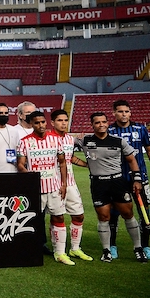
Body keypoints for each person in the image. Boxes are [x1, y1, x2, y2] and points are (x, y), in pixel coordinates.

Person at [80, 112, 146, 263]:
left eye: (104, 122)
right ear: (92, 125)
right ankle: (106, 251)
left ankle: (138, 248)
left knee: (128, 214)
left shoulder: (118, 141)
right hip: (98, 184)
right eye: (97, 122)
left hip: (117, 182)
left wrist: (137, 180)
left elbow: (132, 160)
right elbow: (65, 149)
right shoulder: (86, 140)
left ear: (107, 123)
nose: (101, 125)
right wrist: (83, 163)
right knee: (103, 217)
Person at [16, 111, 71, 265]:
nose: (40, 125)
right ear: (31, 124)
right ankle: (32, 250)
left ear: (46, 122)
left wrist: (64, 184)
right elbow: (20, 164)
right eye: (36, 123)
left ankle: (60, 253)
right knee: (34, 220)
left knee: (59, 217)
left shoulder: (56, 139)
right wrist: (31, 177)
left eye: (42, 122)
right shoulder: (24, 142)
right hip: (36, 189)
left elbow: (62, 162)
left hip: (54, 187)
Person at [107, 99, 150, 260]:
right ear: (114, 113)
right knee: (114, 213)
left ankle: (145, 247)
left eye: (126, 111)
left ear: (130, 113)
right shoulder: (109, 130)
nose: (124, 114)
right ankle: (112, 246)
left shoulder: (140, 129)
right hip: (118, 179)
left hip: (140, 178)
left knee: (144, 212)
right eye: (120, 111)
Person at [49, 109, 91, 260]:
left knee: (78, 215)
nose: (63, 123)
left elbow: (70, 158)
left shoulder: (69, 139)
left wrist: (87, 165)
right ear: (52, 122)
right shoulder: (47, 139)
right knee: (58, 216)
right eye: (60, 120)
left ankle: (75, 248)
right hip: (54, 183)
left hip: (71, 183)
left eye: (65, 120)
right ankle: (59, 252)